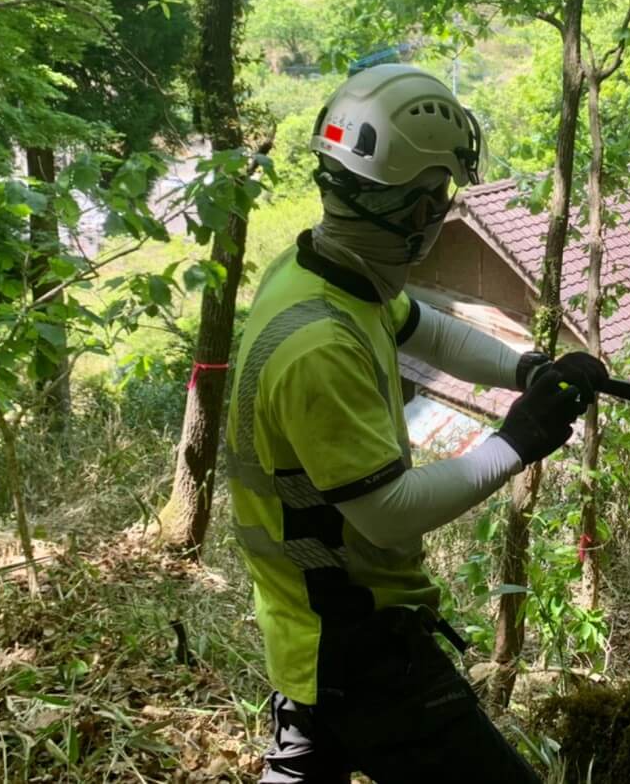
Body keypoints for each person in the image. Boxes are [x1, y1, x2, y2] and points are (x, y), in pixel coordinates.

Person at [225, 63, 608, 783]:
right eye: (437, 197)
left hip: (308, 632)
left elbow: (425, 328)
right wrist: (517, 442)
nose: (442, 212)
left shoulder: (319, 273)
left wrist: (528, 371)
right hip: (358, 643)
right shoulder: (322, 347)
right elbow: (388, 515)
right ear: (413, 209)